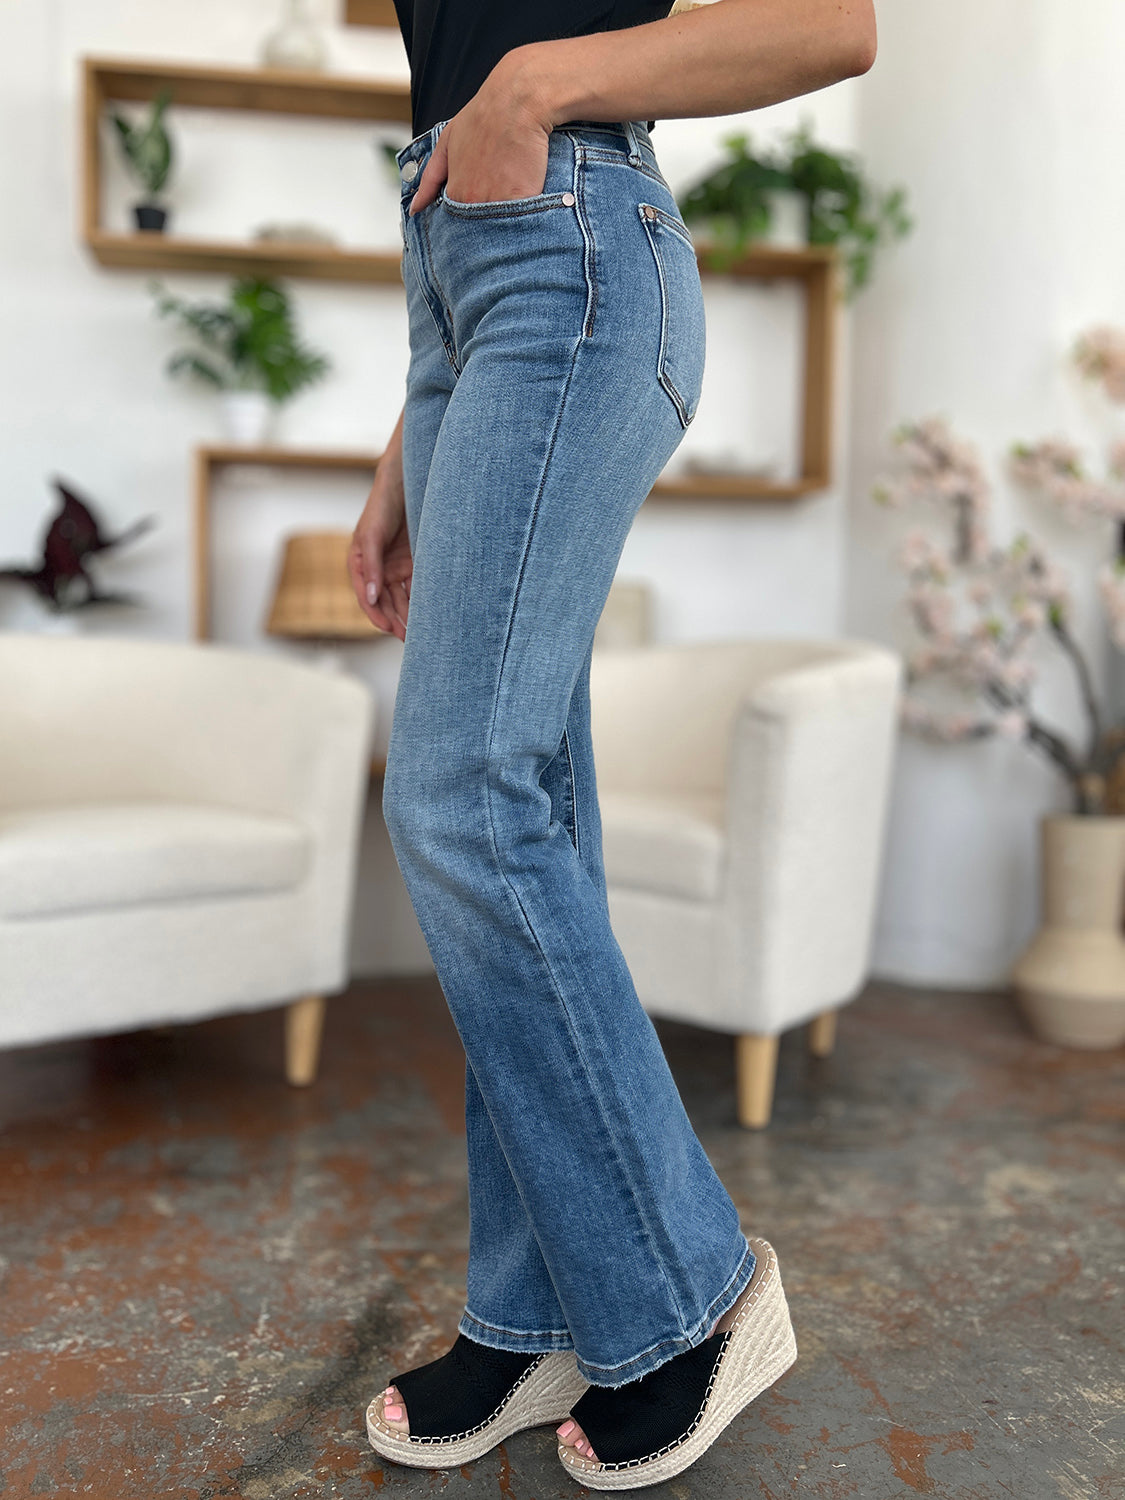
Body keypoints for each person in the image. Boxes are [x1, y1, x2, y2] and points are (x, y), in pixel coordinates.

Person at [347, 0, 876, 1486]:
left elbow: (837, 25)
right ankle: (533, 1312)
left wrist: (538, 85)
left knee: (459, 801)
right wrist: (408, 444)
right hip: (462, 291)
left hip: (572, 247)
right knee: (530, 807)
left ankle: (688, 1291)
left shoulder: (553, 107)